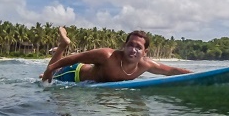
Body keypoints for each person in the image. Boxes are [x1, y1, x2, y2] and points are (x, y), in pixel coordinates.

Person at [41, 27, 192, 83]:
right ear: (124, 46)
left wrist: (198, 75)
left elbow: (171, 71)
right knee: (45, 77)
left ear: (145, 52)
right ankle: (63, 45)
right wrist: (50, 69)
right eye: (130, 45)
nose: (133, 50)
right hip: (73, 74)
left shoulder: (146, 65)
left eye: (138, 47)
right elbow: (75, 58)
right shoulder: (107, 55)